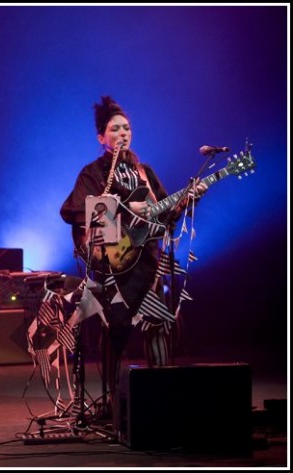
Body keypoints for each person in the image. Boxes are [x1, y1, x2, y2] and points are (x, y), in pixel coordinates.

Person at [59, 96, 208, 425]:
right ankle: (114, 403)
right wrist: (118, 209)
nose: (123, 133)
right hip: (114, 263)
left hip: (147, 261)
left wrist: (187, 200)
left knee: (158, 324)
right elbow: (72, 211)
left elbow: (165, 216)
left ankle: (163, 399)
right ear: (102, 138)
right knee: (118, 329)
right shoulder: (93, 172)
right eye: (115, 128)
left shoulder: (145, 172)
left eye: (127, 127)